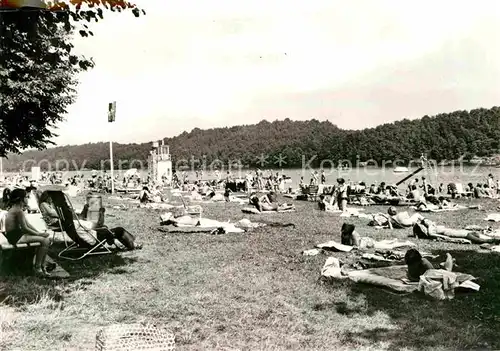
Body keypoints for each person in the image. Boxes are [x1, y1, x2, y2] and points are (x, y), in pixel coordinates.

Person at [4, 189, 52, 277]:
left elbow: (28, 224)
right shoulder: (18, 211)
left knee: (45, 239)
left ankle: (42, 265)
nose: (28, 198)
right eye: (26, 197)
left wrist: (38, 232)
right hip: (15, 237)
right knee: (45, 241)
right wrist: (39, 235)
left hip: (14, 235)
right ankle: (38, 268)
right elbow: (25, 228)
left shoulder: (16, 209)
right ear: (20, 199)